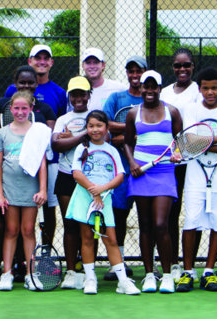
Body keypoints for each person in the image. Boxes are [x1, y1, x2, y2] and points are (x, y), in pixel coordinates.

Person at [0, 65, 56, 283]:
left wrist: (43, 189)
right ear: (10, 109)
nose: (19, 112)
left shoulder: (38, 132)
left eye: (24, 108)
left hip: (31, 190)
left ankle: (30, 274)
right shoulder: (1, 133)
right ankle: (6, 274)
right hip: (9, 191)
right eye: (15, 108)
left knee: (28, 230)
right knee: (11, 230)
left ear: (31, 109)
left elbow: (42, 163)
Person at [175, 68, 217, 293]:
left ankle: (209, 272)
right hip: (195, 177)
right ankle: (188, 272)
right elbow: (188, 144)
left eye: (214, 88)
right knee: (191, 221)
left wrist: (201, 142)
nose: (210, 92)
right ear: (199, 89)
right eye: (205, 88)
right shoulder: (191, 109)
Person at [65, 110, 140, 295]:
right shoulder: (81, 149)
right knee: (88, 238)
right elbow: (77, 173)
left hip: (104, 201)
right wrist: (93, 190)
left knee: (111, 240)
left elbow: (120, 175)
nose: (95, 129)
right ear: (86, 128)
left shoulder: (112, 150)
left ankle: (123, 281)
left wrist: (102, 189)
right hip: (85, 199)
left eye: (99, 126)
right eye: (91, 126)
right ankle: (90, 280)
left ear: (106, 128)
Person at [123, 70, 182, 293]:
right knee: (145, 225)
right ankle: (149, 275)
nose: (149, 90)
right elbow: (127, 143)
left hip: (164, 173)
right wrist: (132, 164)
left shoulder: (172, 112)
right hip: (141, 174)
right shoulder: (132, 113)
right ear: (141, 89)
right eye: (145, 86)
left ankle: (167, 275)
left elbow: (179, 142)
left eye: (153, 86)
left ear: (159, 88)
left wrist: (177, 153)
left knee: (160, 224)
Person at [101, 55, 146, 281]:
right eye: (131, 71)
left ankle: (151, 266)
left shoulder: (151, 97)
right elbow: (105, 123)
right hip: (119, 168)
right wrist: (134, 131)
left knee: (147, 217)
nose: (135, 75)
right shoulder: (116, 97)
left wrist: (124, 135)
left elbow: (155, 126)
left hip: (146, 167)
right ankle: (116, 263)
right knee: (118, 215)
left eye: (139, 71)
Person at [160, 48, 202, 280]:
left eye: (186, 65)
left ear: (193, 66)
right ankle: (170, 262)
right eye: (178, 65)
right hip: (169, 161)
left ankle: (189, 264)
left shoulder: (198, 92)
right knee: (169, 214)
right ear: (173, 67)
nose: (182, 69)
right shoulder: (164, 92)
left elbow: (198, 127)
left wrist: (184, 149)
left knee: (193, 212)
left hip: (193, 161)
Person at [51, 76, 92, 289]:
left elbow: (101, 137)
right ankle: (71, 271)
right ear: (69, 96)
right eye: (74, 94)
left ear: (88, 95)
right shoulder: (63, 118)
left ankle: (88, 270)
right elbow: (56, 145)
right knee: (70, 225)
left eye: (82, 93)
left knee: (89, 224)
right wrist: (82, 135)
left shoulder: (95, 116)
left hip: (90, 177)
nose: (78, 98)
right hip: (66, 175)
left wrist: (70, 138)